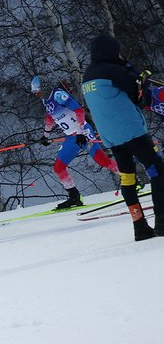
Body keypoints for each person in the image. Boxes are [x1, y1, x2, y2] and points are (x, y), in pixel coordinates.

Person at [81, 34, 163, 240]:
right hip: (132, 132)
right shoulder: (114, 71)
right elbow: (140, 97)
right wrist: (138, 75)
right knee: (157, 172)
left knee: (128, 178)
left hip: (112, 138)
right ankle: (162, 221)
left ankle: (139, 225)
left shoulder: (88, 75)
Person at [31, 75, 120, 209]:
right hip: (71, 137)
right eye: (35, 92)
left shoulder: (58, 95)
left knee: (102, 161)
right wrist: (45, 135)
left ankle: (131, 178)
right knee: (58, 168)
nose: (37, 94)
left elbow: (79, 110)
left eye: (38, 90)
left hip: (83, 132)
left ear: (44, 87)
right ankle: (74, 197)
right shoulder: (46, 100)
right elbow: (50, 116)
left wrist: (80, 132)